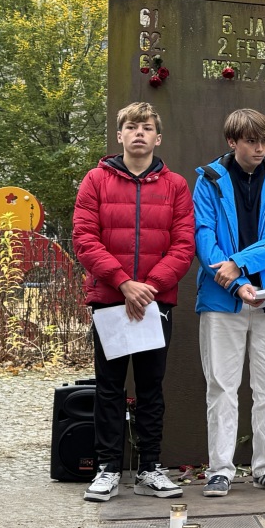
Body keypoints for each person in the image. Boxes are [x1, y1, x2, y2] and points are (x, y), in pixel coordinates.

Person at [73, 102, 194, 502]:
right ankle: (108, 468)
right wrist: (125, 283)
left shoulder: (175, 185)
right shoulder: (95, 180)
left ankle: (149, 467)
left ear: (157, 138)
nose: (138, 133)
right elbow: (85, 239)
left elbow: (183, 244)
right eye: (131, 127)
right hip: (110, 299)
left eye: (146, 128)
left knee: (150, 388)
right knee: (108, 387)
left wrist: (150, 287)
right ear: (120, 135)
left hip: (155, 303)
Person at [192, 109, 265, 498]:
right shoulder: (207, 180)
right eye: (252, 141)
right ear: (232, 142)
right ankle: (220, 470)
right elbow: (204, 238)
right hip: (223, 300)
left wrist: (240, 262)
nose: (260, 148)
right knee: (221, 386)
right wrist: (237, 282)